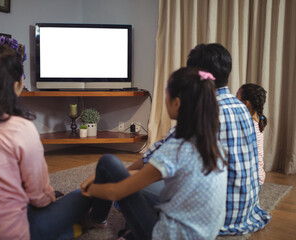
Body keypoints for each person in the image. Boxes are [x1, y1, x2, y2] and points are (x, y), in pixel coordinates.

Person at [0, 36, 91, 240]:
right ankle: (65, 232)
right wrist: (49, 196)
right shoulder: (21, 128)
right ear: (16, 84)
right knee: (82, 196)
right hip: (12, 232)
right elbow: (39, 198)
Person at [81, 67, 228, 240]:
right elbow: (146, 176)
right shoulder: (214, 145)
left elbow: (115, 192)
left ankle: (97, 219)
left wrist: (89, 188)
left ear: (177, 103)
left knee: (108, 162)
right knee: (143, 188)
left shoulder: (177, 148)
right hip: (204, 234)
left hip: (166, 236)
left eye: (166, 93)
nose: (165, 98)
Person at [187, 43, 271, 235]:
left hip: (216, 217)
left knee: (119, 175)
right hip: (246, 210)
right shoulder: (243, 108)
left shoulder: (204, 110)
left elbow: (161, 159)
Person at [236, 83, 268, 185]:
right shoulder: (258, 120)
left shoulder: (248, 126)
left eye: (236, 96)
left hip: (252, 179)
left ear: (245, 103)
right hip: (259, 176)